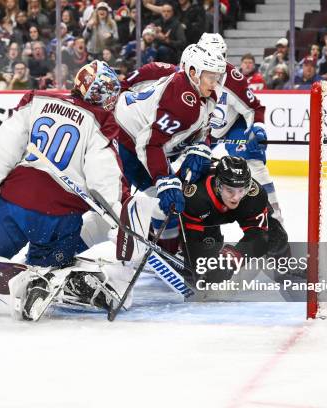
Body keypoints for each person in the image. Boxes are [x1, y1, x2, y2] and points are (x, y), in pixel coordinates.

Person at [0, 60, 127, 319]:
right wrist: (119, 212)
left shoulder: (38, 101)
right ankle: (46, 275)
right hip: (61, 213)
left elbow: (5, 146)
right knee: (52, 257)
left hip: (17, 199)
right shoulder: (101, 123)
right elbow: (104, 177)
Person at [113, 43, 226, 252]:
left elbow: (202, 129)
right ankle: (166, 252)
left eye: (217, 76)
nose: (215, 82)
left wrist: (201, 145)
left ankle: (167, 246)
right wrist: (165, 179)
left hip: (143, 144)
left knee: (175, 201)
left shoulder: (205, 93)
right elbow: (149, 143)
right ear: (193, 72)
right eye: (211, 76)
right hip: (124, 144)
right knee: (161, 204)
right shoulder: (180, 101)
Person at [198, 33, 285, 226]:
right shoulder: (189, 73)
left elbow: (254, 108)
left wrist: (257, 129)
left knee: (254, 162)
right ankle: (186, 220)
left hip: (230, 126)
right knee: (185, 168)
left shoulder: (233, 79)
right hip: (199, 131)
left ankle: (273, 215)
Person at [180, 156, 288, 283]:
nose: (235, 198)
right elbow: (191, 237)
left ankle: (285, 271)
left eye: (241, 190)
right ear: (218, 185)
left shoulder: (255, 195)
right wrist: (194, 263)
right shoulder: (196, 197)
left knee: (277, 237)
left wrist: (231, 260)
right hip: (207, 216)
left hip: (235, 211)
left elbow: (260, 237)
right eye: (229, 190)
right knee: (202, 266)